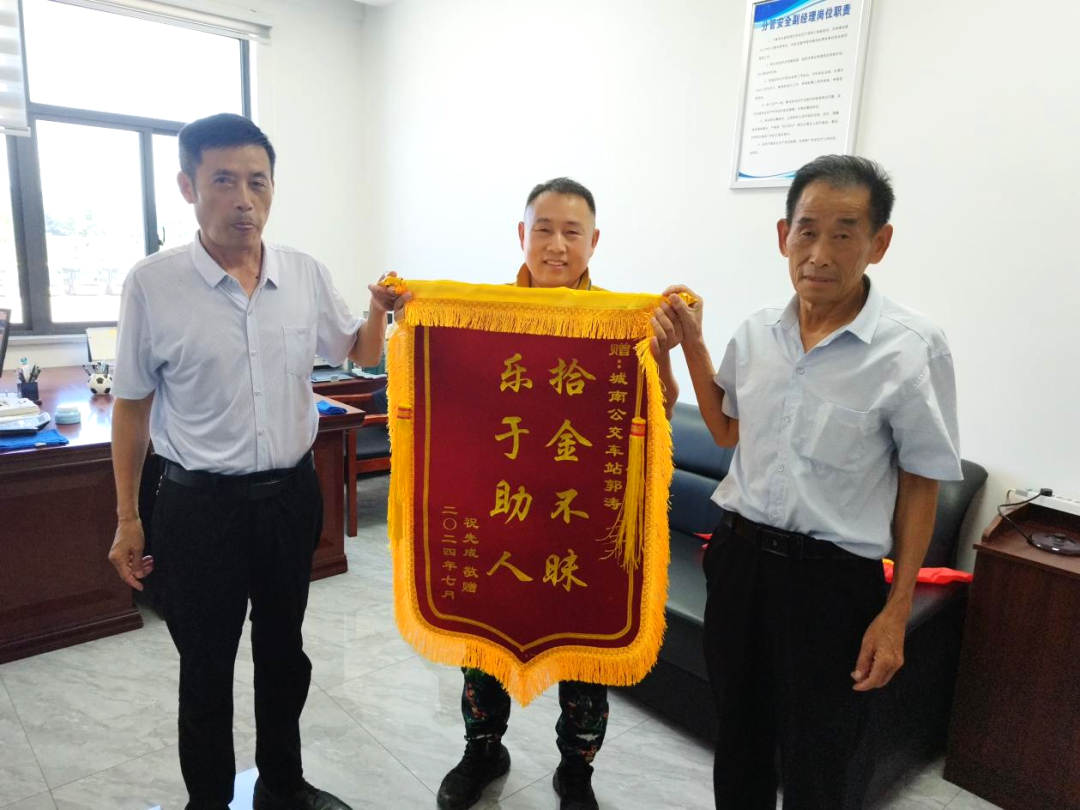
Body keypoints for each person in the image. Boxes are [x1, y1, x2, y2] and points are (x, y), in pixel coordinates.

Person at [107, 113, 403, 810]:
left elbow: (360, 353)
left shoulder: (303, 273)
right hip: (197, 507)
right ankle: (208, 801)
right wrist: (127, 517)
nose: (244, 199)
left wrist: (378, 310)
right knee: (205, 666)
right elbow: (131, 407)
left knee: (283, 653)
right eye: (223, 181)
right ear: (188, 186)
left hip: (289, 497)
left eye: (257, 182)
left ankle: (282, 785)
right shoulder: (152, 284)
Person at [660, 155, 962, 809]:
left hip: (832, 586)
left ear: (879, 242)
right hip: (739, 563)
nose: (820, 253)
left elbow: (921, 484)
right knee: (737, 740)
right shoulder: (757, 332)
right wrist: (691, 344)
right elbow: (726, 430)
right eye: (807, 230)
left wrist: (896, 613)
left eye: (845, 233)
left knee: (819, 761)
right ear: (783, 236)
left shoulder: (912, 348)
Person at [435, 177, 680, 810]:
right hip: (504, 515)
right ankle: (482, 750)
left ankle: (576, 771)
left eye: (573, 232)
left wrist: (666, 352)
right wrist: (408, 317)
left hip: (582, 522)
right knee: (486, 647)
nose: (556, 245)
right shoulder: (482, 318)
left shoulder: (624, 322)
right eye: (543, 229)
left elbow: (660, 409)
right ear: (522, 235)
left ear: (594, 242)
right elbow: (449, 396)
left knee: (584, 656)